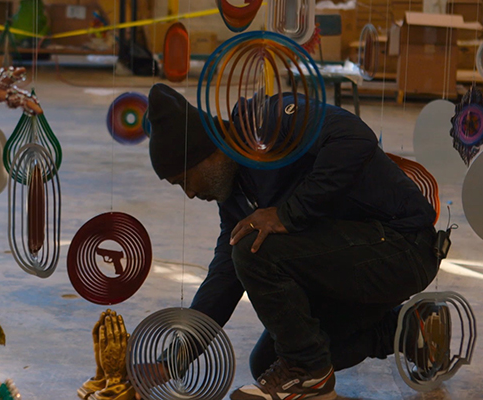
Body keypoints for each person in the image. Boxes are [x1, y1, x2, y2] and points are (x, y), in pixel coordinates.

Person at [146, 83, 442, 400]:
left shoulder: (269, 122)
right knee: (268, 362)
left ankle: (311, 376)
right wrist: (171, 363)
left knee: (255, 252)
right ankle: (410, 330)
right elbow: (223, 280)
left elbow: (355, 139)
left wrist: (287, 215)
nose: (189, 193)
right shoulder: (235, 197)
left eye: (184, 180)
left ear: (205, 153)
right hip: (352, 262)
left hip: (403, 247)